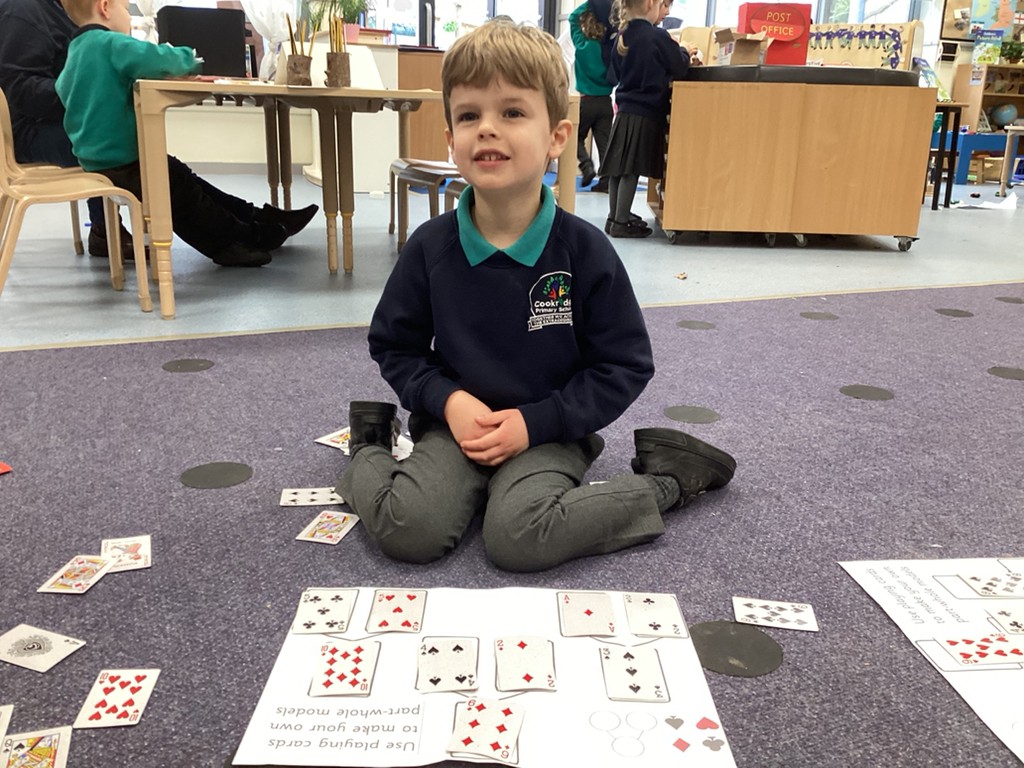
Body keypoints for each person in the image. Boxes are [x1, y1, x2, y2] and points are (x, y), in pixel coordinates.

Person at [335, 19, 735, 573]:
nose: (487, 129)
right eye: (468, 116)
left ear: (557, 137)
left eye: (512, 113)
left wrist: (539, 422)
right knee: (409, 530)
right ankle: (369, 444)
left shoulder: (584, 251)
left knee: (519, 538)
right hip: (457, 426)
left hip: (550, 432)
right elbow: (394, 345)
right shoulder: (430, 247)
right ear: (450, 139)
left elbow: (624, 364)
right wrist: (449, 401)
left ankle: (669, 479)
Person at [55, 0, 317, 268]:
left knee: (181, 175)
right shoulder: (109, 43)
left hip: (98, 163)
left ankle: (253, 218)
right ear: (105, 7)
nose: (128, 16)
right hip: (124, 163)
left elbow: (62, 88)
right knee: (182, 195)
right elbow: (156, 57)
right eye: (125, 8)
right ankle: (232, 240)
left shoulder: (75, 52)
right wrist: (188, 57)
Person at [0, 0, 127, 259]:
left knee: (121, 135)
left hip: (52, 124)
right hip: (26, 134)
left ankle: (107, 230)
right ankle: (110, 230)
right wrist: (87, 92)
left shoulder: (67, 10)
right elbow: (21, 90)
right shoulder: (24, 9)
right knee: (119, 143)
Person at [602, 0, 691, 238]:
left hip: (624, 110)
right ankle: (621, 222)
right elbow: (680, 65)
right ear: (651, 3)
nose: (666, 11)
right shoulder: (657, 36)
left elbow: (615, 74)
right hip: (645, 112)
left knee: (618, 167)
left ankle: (614, 217)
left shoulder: (622, 36)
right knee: (630, 169)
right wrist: (684, 50)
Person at [569, 0, 614, 193]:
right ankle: (606, 181)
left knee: (575, 137)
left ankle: (586, 165)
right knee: (605, 144)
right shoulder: (609, 49)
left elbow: (572, 18)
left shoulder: (582, 45)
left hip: (586, 101)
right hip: (605, 102)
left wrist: (592, 3)